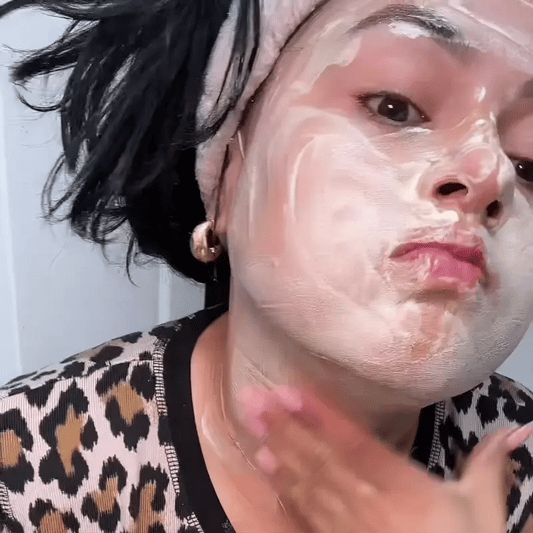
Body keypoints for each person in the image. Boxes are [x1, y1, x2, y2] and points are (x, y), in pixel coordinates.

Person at [0, 0, 533, 532]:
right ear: (227, 175)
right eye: (395, 107)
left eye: (529, 163)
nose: (490, 175)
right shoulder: (25, 474)